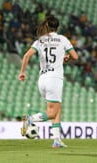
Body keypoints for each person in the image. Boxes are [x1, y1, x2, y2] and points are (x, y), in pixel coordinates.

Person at [18, 15, 79, 148]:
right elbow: (75, 56)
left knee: (57, 109)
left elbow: (26, 55)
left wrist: (22, 72)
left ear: (47, 26)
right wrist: (67, 57)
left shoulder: (40, 41)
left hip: (42, 80)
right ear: (57, 27)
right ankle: (30, 119)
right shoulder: (62, 40)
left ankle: (56, 140)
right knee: (52, 112)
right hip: (54, 79)